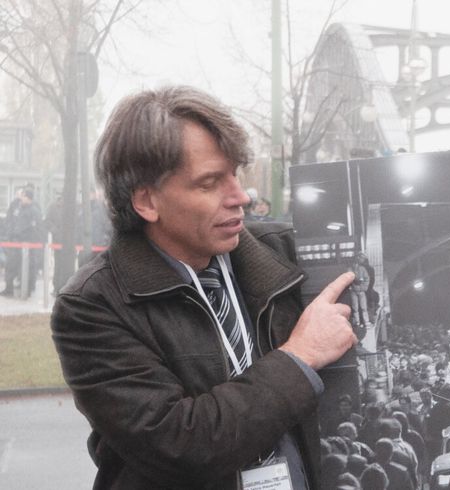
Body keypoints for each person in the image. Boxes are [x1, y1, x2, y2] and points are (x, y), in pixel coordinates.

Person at [49, 86, 358, 489]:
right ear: (146, 202)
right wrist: (299, 357)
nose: (240, 196)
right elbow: (181, 445)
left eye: (236, 173)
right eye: (210, 182)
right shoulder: (93, 306)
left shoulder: (288, 255)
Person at [3, 186, 42, 297]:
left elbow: (35, 229)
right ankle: (9, 288)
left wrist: (28, 240)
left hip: (27, 244)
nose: (21, 198)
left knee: (27, 267)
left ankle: (27, 289)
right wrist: (11, 234)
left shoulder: (34, 211)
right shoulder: (18, 208)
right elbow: (12, 221)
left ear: (28, 197)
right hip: (15, 242)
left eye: (23, 196)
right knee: (11, 265)